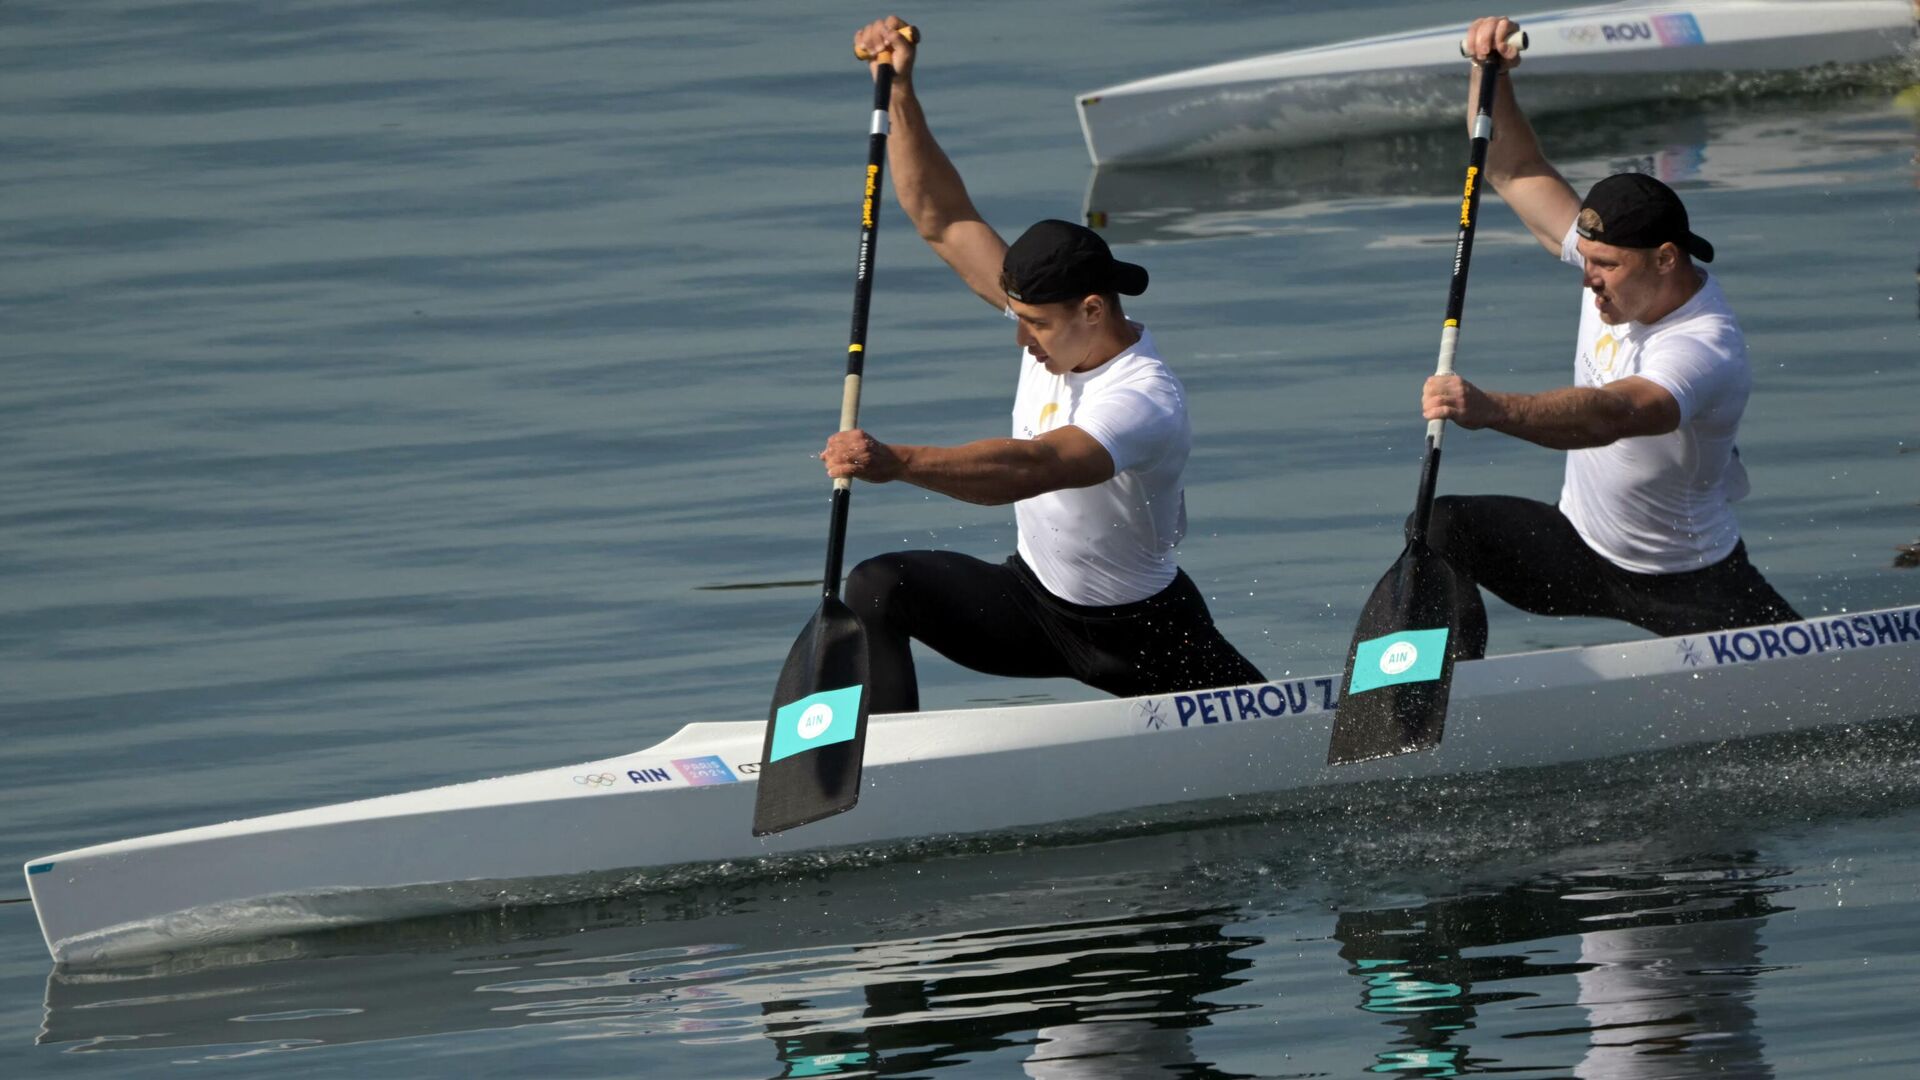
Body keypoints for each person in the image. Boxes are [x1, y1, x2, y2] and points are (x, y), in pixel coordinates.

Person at [822, 16, 1264, 712]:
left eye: (1034, 323)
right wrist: (900, 90)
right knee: (879, 585)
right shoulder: (1051, 322)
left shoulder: (1145, 397)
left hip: (1141, 634)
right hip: (1034, 606)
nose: (1022, 338)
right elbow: (942, 218)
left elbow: (1038, 467)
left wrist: (900, 462)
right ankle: (883, 770)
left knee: (1288, 747)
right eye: (1017, 316)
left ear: (1094, 309)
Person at [1420, 16, 1799, 657]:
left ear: (1666, 258)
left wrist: (1492, 410)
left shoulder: (1705, 344)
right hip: (1579, 549)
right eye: (1586, 258)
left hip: (1690, 578)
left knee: (1813, 695)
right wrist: (1489, 75)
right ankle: (1442, 688)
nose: (1588, 278)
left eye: (1605, 266)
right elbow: (1514, 170)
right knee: (1440, 524)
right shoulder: (1615, 267)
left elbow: (1617, 413)